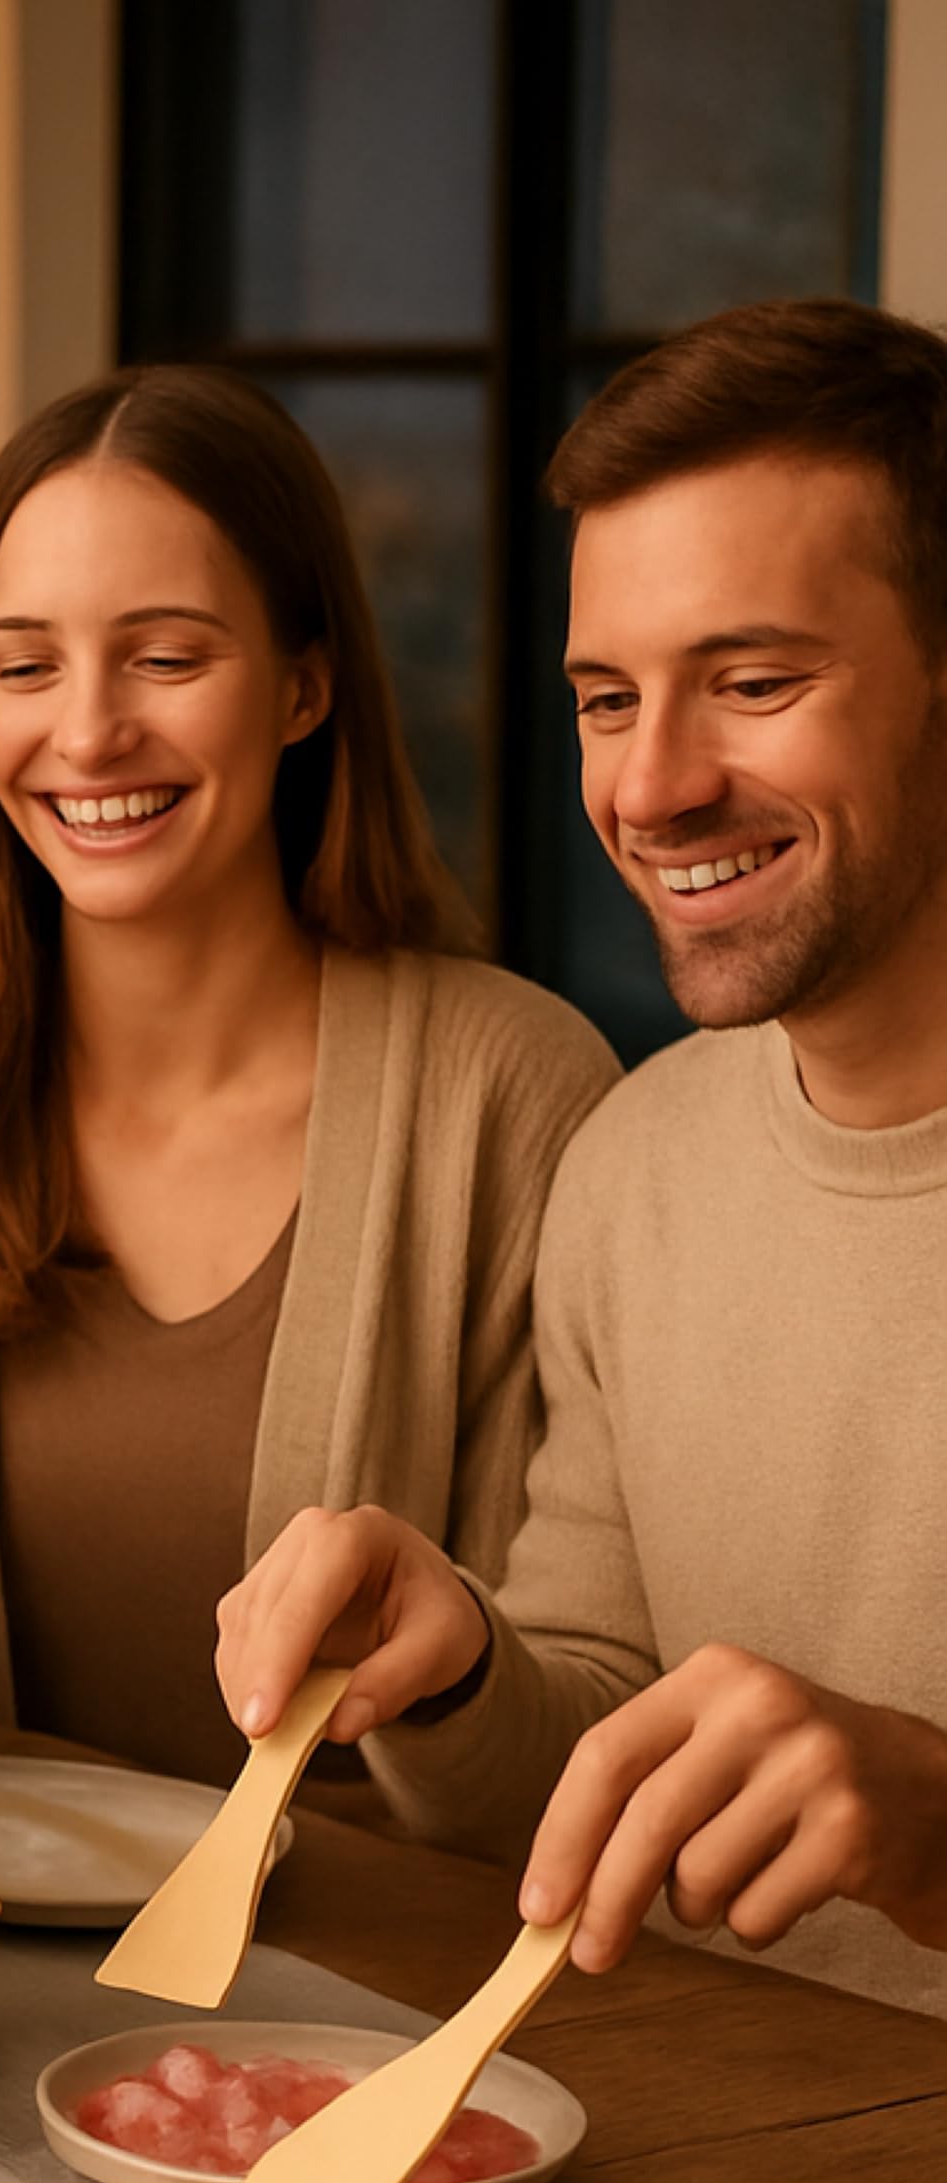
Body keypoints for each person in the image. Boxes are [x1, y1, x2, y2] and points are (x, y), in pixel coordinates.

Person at [213, 299, 947, 2012]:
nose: (657, 785)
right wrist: (459, 1664)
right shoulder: (636, 1161)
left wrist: (932, 1824)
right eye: (608, 700)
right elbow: (587, 1745)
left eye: (756, 682)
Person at [0, 367, 616, 1803]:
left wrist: (460, 1662)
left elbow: (567, 1740)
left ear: (304, 686)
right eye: (24, 665)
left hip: (384, 2008)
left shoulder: (510, 1094)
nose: (90, 733)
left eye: (166, 658)